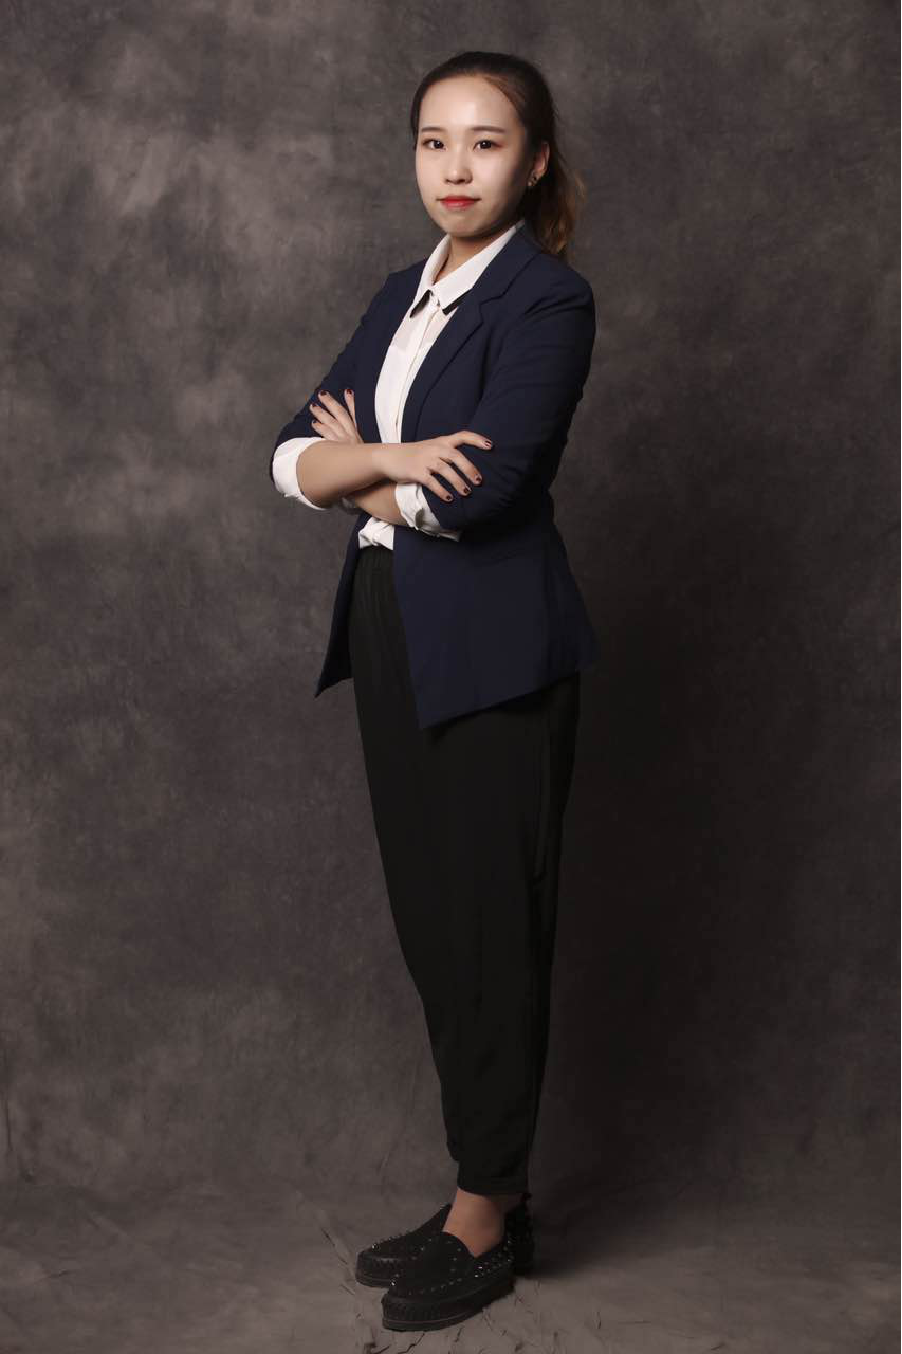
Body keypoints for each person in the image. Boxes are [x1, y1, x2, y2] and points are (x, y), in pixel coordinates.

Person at [270, 50, 598, 1334]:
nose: (454, 168)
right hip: (390, 621)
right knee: (429, 923)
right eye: (432, 142)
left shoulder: (546, 300)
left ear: (534, 160)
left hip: (496, 645)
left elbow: (486, 494)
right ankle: (483, 1185)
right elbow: (286, 456)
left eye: (484, 142)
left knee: (488, 927)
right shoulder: (397, 294)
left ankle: (488, 1211)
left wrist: (360, 465)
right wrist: (395, 454)